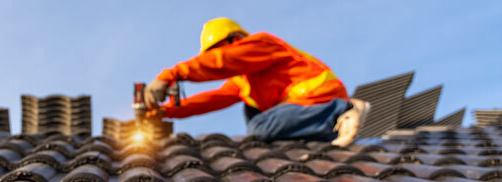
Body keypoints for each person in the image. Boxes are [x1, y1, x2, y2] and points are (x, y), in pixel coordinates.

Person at [144, 17, 370, 146]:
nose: (213, 57)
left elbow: (223, 61)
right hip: (299, 107)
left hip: (319, 96)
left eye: (216, 50)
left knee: (258, 127)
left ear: (236, 39)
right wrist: (165, 112)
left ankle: (343, 111)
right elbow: (211, 100)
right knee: (251, 110)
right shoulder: (243, 81)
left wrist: (170, 75)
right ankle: (330, 131)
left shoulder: (260, 44)